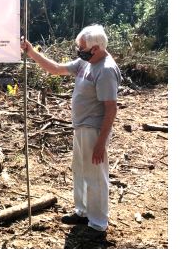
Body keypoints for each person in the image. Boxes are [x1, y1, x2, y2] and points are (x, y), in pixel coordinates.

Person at [21, 24, 121, 235]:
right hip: (81, 127)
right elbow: (56, 69)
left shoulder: (105, 69)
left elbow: (111, 109)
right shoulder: (86, 63)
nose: (79, 50)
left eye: (82, 47)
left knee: (95, 174)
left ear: (96, 48)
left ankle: (98, 223)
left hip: (94, 131)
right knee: (81, 170)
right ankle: (82, 212)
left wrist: (101, 142)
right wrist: (31, 52)